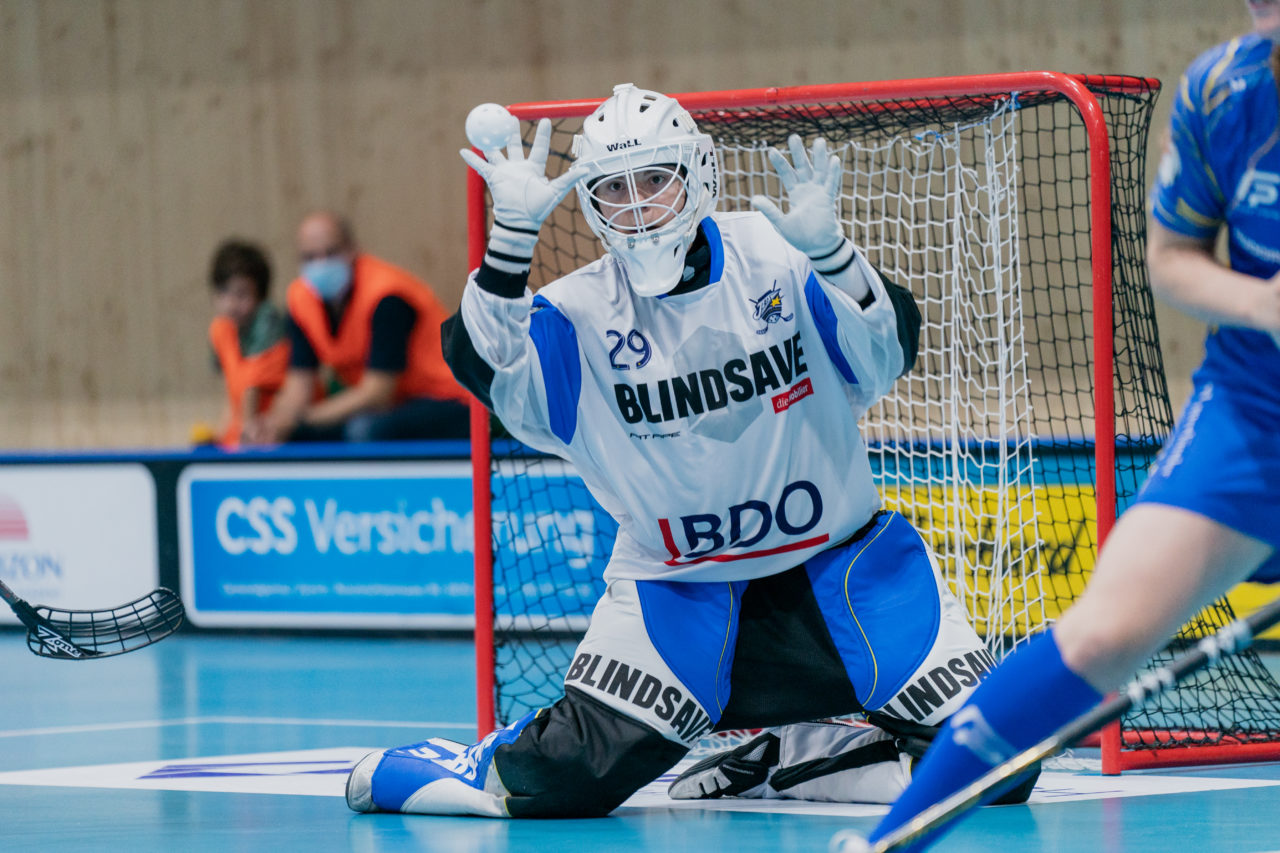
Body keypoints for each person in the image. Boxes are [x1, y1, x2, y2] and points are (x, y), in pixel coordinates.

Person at [343, 83, 1037, 819]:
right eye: (612, 189)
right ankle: (431, 763)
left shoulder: (781, 254)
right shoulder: (575, 311)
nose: (637, 207)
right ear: (590, 204)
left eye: (655, 181)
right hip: (679, 591)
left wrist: (835, 257)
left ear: (698, 176)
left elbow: (887, 352)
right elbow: (489, 370)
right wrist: (509, 251)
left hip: (844, 571)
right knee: (556, 782)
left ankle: (796, 755)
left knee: (1006, 761)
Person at [853, 4, 1280, 850]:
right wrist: (1266, 303)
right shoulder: (1225, 93)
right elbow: (1173, 256)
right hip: (1254, 406)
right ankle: (889, 840)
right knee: (1104, 630)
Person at [246, 211, 471, 444]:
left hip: (448, 401)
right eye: (310, 257)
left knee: (364, 430)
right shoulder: (300, 300)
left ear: (352, 249)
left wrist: (304, 419)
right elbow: (298, 384)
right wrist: (275, 422)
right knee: (289, 434)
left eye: (330, 253)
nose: (321, 264)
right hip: (395, 406)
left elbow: (378, 394)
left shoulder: (387, 297)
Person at [202, 238, 289, 449]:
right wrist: (221, 437)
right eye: (224, 292)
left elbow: (253, 387)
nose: (231, 303)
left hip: (279, 429)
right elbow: (232, 394)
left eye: (242, 294)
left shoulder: (267, 319)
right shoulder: (220, 329)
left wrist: (242, 443)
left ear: (260, 297)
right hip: (245, 430)